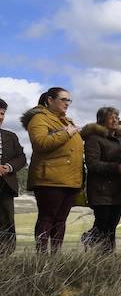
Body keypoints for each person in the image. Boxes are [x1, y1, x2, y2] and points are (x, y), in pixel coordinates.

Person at [22, 87, 84, 254]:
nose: (67, 103)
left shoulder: (67, 121)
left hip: (71, 180)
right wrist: (66, 133)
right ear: (50, 100)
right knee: (47, 218)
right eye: (63, 99)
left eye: (68, 100)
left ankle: (55, 259)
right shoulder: (39, 119)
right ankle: (41, 258)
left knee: (60, 220)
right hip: (49, 179)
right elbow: (40, 143)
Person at [81, 107, 121, 253]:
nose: (115, 120)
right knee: (103, 225)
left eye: (117, 116)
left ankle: (108, 256)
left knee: (112, 225)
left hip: (119, 189)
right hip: (101, 189)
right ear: (102, 120)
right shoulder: (93, 138)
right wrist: (117, 168)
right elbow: (92, 163)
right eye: (111, 117)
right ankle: (103, 257)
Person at [0, 98, 27, 255]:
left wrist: (9, 167)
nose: (0, 117)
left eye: (2, 113)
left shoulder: (11, 136)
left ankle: (6, 257)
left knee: (7, 222)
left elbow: (21, 158)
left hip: (6, 185)